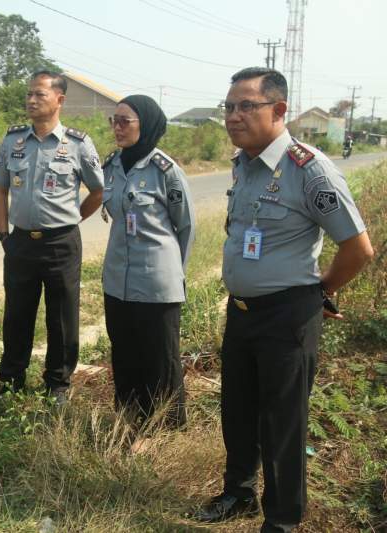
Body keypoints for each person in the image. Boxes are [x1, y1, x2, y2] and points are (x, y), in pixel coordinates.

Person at [194, 67, 374, 532]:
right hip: (242, 312)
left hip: (287, 316)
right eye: (229, 107)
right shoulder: (243, 163)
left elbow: (358, 248)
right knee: (237, 410)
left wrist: (323, 290)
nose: (233, 116)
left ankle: (282, 519)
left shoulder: (308, 168)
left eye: (245, 106)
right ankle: (238, 494)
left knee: (282, 422)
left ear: (278, 110)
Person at [0, 70, 104, 404]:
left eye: (39, 94)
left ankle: (58, 383)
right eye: (29, 94)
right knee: (17, 314)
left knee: (63, 316)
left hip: (61, 244)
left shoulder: (77, 144)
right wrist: (3, 234)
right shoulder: (13, 141)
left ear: (59, 99)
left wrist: (72, 219)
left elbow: (99, 190)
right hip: (21, 242)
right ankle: (11, 380)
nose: (31, 100)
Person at [101, 95, 195, 428]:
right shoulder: (111, 166)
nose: (117, 128)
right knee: (124, 351)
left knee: (160, 357)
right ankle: (129, 418)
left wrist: (173, 273)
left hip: (156, 281)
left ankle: (166, 426)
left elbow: (186, 226)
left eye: (125, 121)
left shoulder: (165, 170)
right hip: (118, 279)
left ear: (147, 124)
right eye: (114, 121)